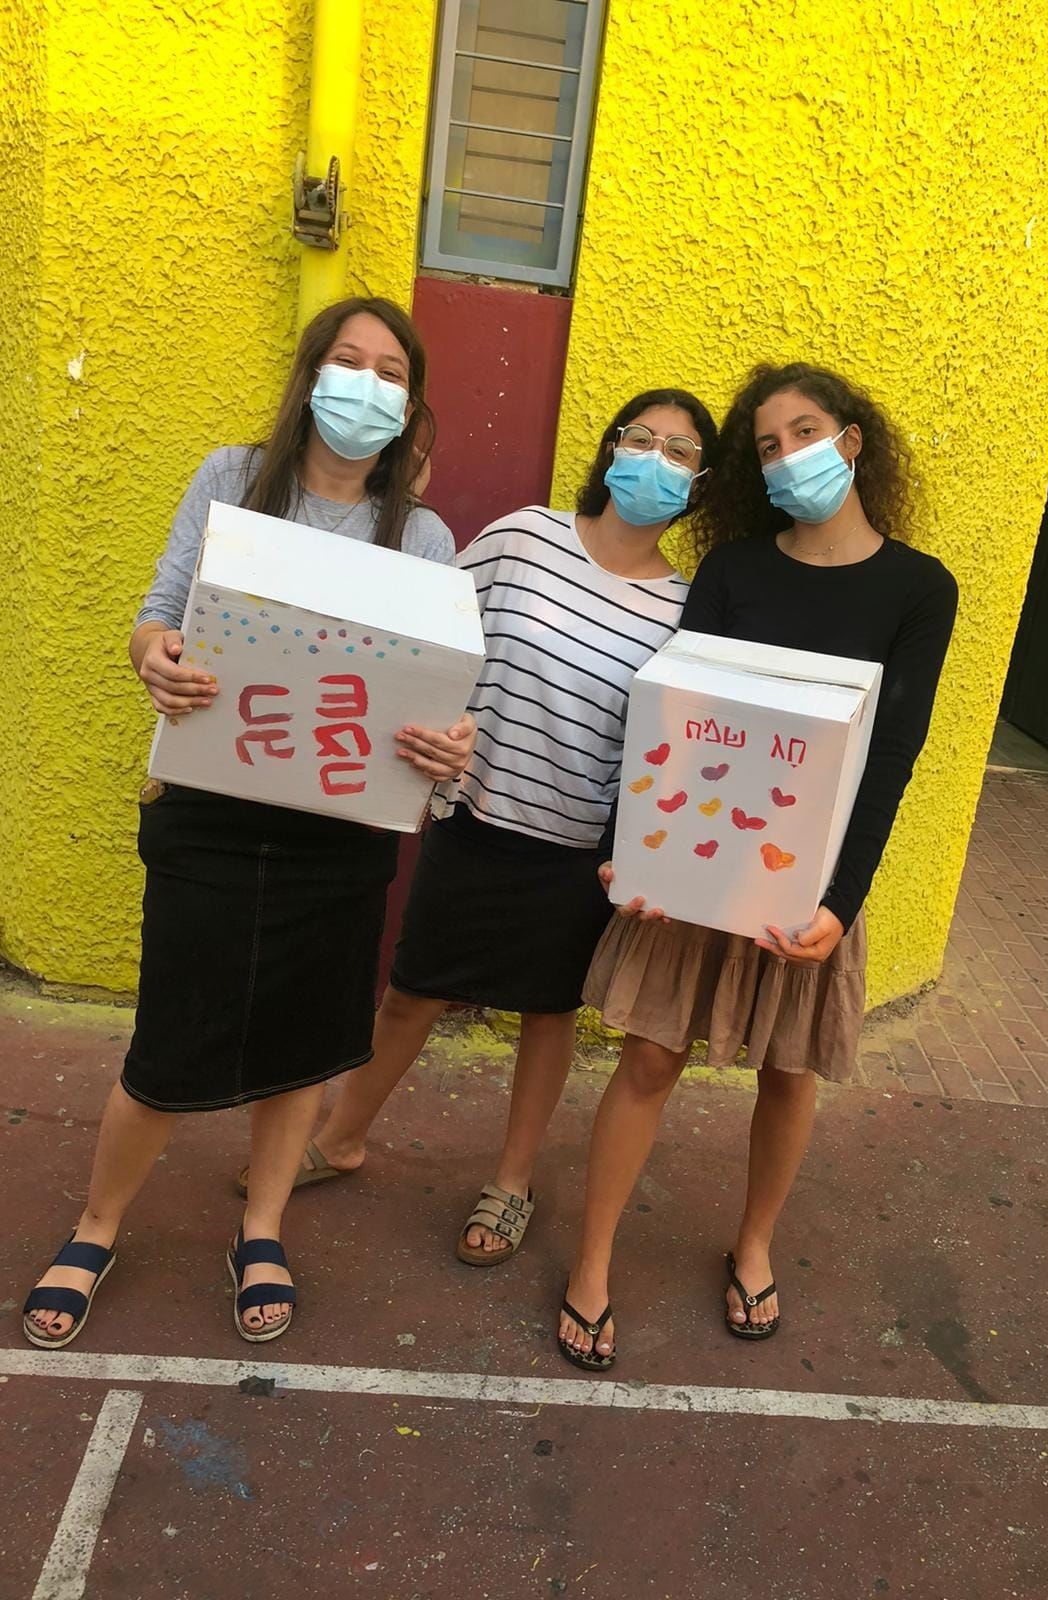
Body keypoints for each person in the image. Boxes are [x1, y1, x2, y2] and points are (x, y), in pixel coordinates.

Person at [23, 296, 475, 1349]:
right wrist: (156, 658)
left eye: (392, 372)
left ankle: (262, 1226)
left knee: (303, 1044)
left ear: (411, 402)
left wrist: (450, 743)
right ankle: (97, 1225)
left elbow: (439, 685)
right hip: (209, 812)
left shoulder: (423, 533)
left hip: (341, 832)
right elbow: (158, 611)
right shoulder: (231, 478)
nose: (367, 385)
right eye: (348, 361)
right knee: (171, 1038)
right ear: (311, 374)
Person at [557, 360, 958, 1370]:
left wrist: (841, 902)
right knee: (649, 1058)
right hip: (696, 862)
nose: (788, 457)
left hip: (810, 881)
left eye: (805, 432)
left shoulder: (920, 590)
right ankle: (592, 1262)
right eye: (769, 446)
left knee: (788, 1074)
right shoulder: (734, 569)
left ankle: (753, 1244)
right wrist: (630, 854)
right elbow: (674, 716)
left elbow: (893, 756)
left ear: (853, 440)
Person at [283, 390, 719, 1271]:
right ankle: (340, 1138)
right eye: (642, 438)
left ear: (699, 483)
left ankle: (512, 1181)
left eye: (679, 453)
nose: (655, 460)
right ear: (610, 449)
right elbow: (434, 633)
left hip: (579, 850)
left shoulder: (685, 610)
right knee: (412, 992)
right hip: (474, 815)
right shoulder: (525, 538)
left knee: (547, 1017)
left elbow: (667, 746)